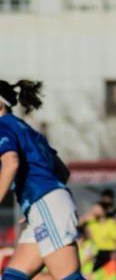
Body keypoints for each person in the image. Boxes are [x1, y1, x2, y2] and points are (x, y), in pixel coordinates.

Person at [0, 80, 85, 280]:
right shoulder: (26, 129)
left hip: (46, 205)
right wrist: (35, 205)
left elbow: (11, 163)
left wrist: (42, 203)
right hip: (44, 207)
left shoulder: (2, 125)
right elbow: (62, 172)